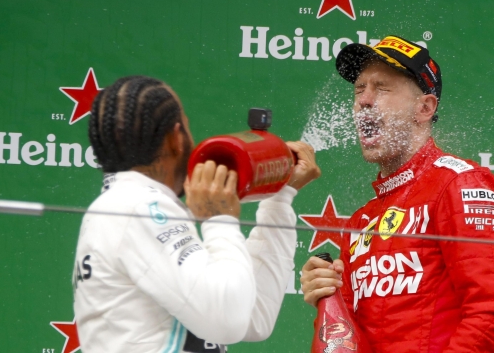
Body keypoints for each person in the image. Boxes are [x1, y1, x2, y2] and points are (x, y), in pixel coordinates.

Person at [300, 36, 494, 352]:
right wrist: (329, 299)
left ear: (424, 108)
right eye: (359, 89)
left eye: (381, 88)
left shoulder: (461, 185)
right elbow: (344, 343)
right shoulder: (361, 222)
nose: (364, 100)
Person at [72, 75, 321, 352]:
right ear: (174, 138)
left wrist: (280, 199)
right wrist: (219, 218)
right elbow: (230, 319)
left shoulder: (130, 206)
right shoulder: (138, 208)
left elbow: (253, 316)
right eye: (188, 127)